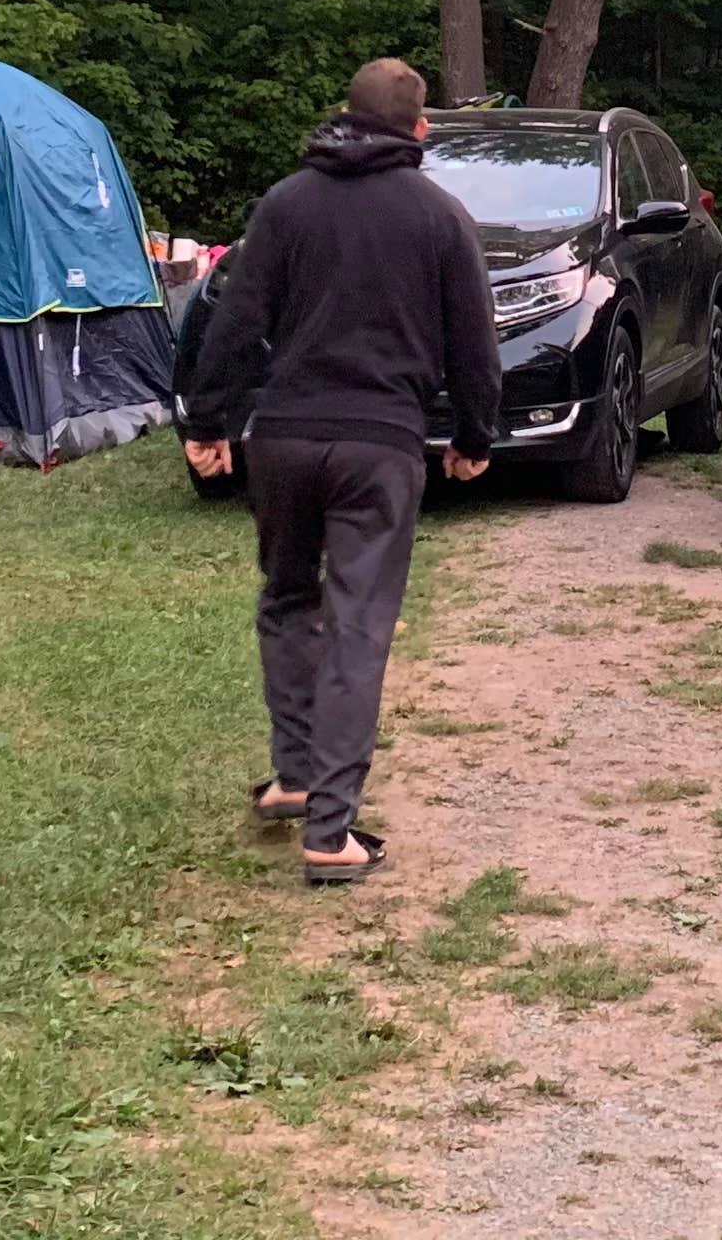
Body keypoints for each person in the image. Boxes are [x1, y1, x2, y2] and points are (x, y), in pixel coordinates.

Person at [180, 56, 499, 886]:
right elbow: (474, 343)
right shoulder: (440, 215)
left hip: (282, 439)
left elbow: (234, 317)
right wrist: (474, 436)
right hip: (379, 446)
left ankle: (293, 778)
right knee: (358, 626)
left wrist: (208, 421)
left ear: (345, 117)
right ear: (419, 129)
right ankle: (330, 829)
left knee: (288, 600)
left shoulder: (285, 205)